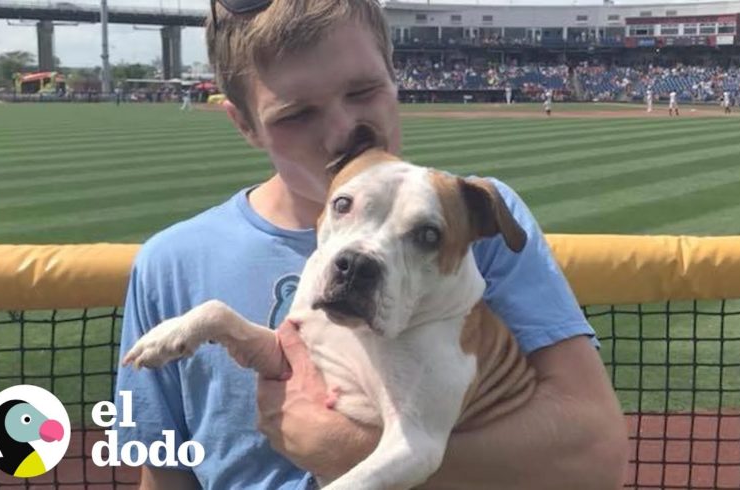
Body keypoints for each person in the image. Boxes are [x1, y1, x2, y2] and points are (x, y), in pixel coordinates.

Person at [114, 1, 628, 489]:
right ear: (244, 123)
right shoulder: (169, 264)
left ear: (394, 76)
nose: (344, 131)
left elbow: (595, 456)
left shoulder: (470, 224)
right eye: (296, 114)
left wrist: (336, 445)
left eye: (362, 92)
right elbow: (161, 466)